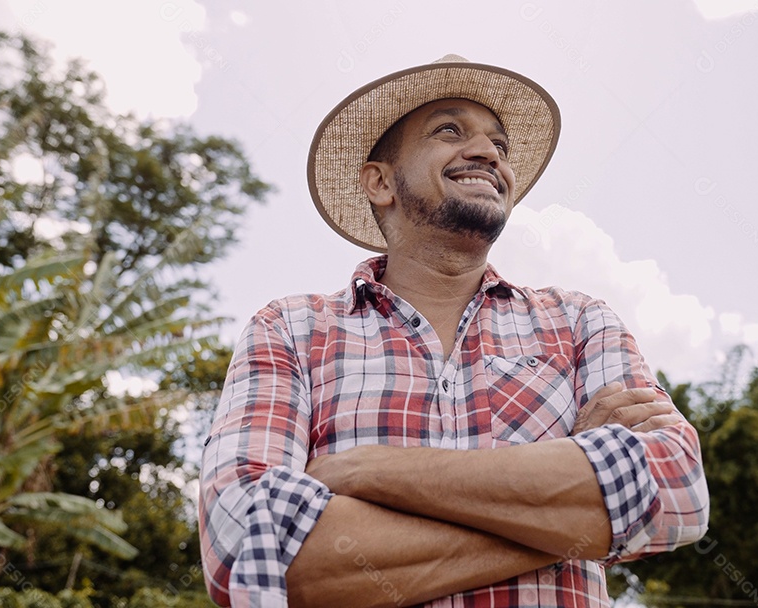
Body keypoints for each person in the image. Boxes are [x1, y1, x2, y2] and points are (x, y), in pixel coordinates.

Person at [199, 55, 709, 607]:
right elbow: (249, 552)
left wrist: (369, 472)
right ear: (380, 181)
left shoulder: (580, 321)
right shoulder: (290, 330)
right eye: (450, 130)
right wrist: (571, 514)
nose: (489, 153)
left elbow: (676, 487)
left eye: (499, 144)